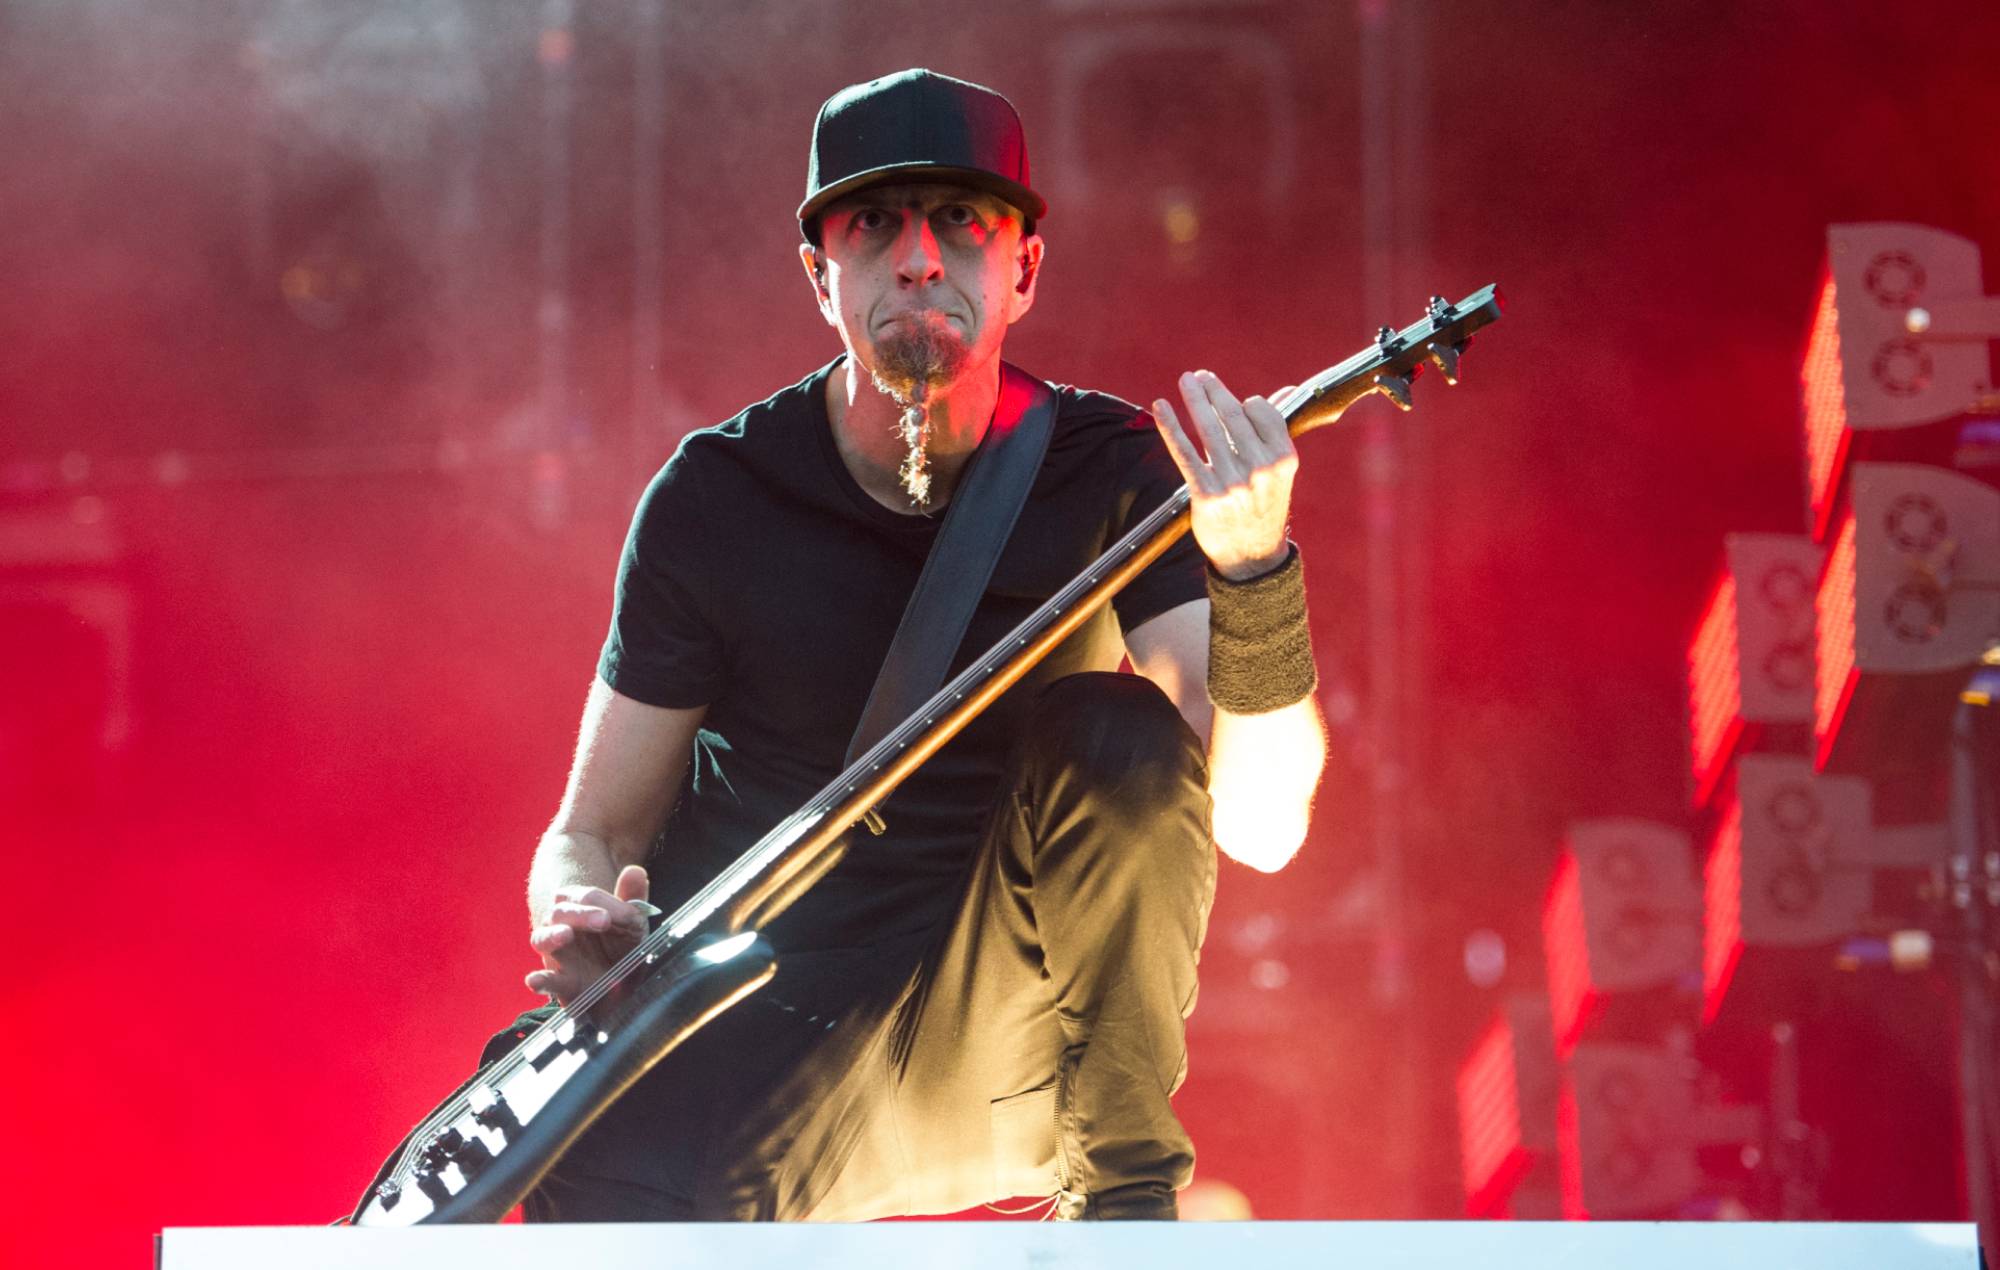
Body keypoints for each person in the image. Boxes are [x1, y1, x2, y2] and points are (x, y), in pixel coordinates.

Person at [513, 68, 1328, 1222]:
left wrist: (1255, 578)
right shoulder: (716, 496)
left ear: (1023, 270)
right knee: (543, 1177)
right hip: (761, 1037)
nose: (914, 258)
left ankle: (1125, 1207)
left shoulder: (1109, 473)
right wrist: (586, 916)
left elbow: (1261, 827)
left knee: (1116, 731)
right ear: (819, 273)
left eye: (959, 220)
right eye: (872, 225)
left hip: (1001, 1038)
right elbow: (590, 830)